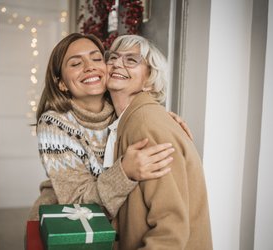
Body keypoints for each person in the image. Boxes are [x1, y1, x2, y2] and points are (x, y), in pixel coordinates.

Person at [28, 33, 191, 221]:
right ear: (62, 83)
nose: (90, 67)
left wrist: (164, 120)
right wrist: (124, 172)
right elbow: (77, 204)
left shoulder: (121, 109)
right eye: (75, 64)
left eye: (97, 58)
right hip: (67, 226)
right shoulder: (55, 123)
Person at [105, 35, 213, 249]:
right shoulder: (129, 119)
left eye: (131, 60)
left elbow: (170, 229)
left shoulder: (146, 124)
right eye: (113, 57)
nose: (117, 63)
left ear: (149, 79)